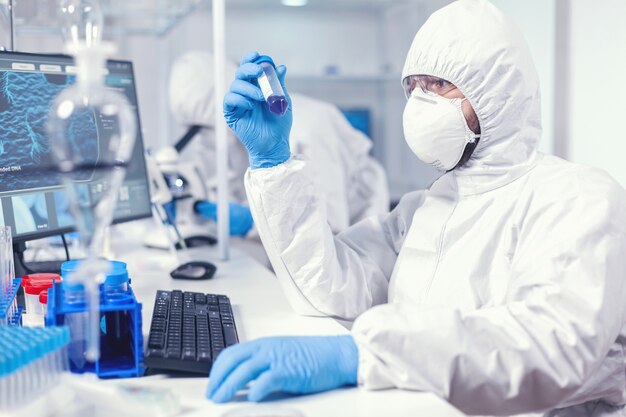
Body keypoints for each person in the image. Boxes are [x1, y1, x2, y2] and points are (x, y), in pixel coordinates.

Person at [204, 0, 626, 416]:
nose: (421, 102)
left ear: (496, 92)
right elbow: (331, 287)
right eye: (414, 87)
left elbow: (549, 346)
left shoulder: (576, 197)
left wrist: (364, 354)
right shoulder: (423, 209)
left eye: (439, 85)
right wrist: (274, 164)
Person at [168, 51, 389, 239]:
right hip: (286, 248)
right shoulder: (223, 134)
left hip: (355, 239)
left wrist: (251, 223)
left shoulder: (309, 128)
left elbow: (328, 226)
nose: (205, 139)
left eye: (205, 128)